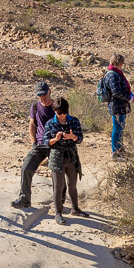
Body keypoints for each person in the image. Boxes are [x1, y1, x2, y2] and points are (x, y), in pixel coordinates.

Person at [12, 81, 55, 209]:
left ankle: (59, 201)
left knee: (56, 173)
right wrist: (33, 142)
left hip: (55, 144)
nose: (42, 97)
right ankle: (24, 199)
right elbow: (32, 124)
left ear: (49, 91)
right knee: (26, 168)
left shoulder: (57, 105)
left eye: (44, 94)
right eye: (39, 95)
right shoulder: (35, 106)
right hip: (40, 144)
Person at [45, 96, 88, 226]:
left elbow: (80, 138)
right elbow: (46, 142)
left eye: (64, 113)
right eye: (59, 113)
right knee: (58, 186)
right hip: (56, 156)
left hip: (71, 156)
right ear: (55, 111)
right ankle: (58, 212)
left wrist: (72, 137)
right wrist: (56, 139)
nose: (62, 115)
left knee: (72, 184)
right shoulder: (50, 123)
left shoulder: (74, 121)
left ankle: (75, 208)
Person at [99, 54, 132, 157]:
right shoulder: (113, 75)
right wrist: (129, 97)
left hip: (119, 106)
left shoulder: (113, 73)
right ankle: (115, 152)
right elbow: (116, 92)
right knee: (117, 128)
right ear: (119, 63)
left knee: (120, 127)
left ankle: (120, 149)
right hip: (116, 106)